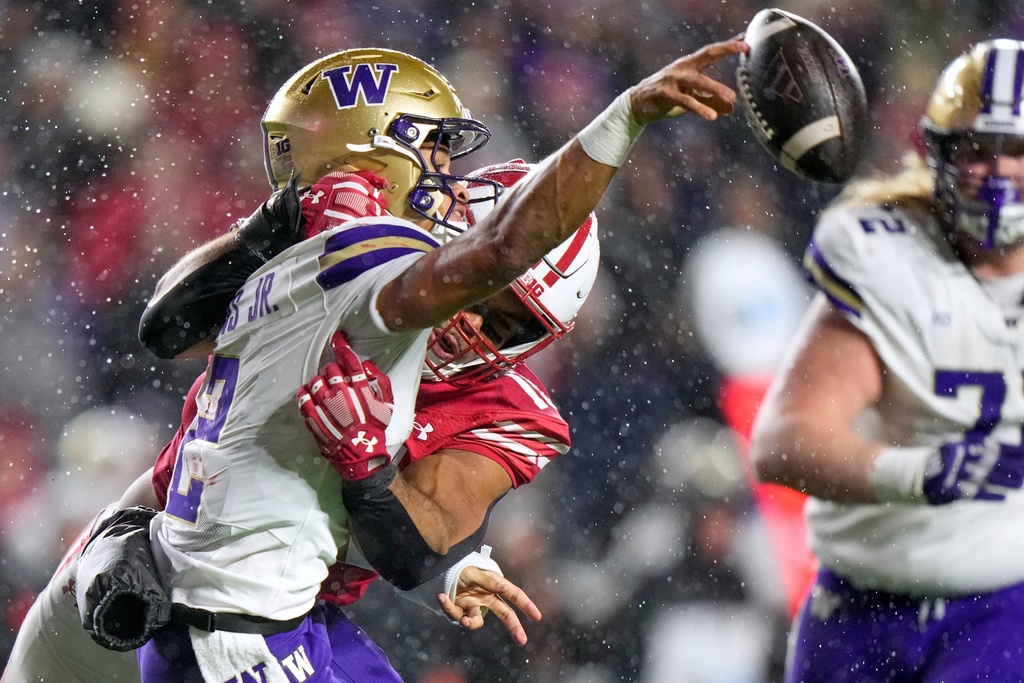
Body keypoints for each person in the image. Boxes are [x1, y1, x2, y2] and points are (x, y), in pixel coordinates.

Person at [124, 38, 744, 681]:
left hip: (300, 604)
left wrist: (375, 479)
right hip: (219, 592)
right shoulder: (366, 279)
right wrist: (276, 224)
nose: (472, 326)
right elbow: (171, 335)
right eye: (478, 296)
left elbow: (419, 545)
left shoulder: (511, 411)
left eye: (507, 321)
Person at [748, 38, 1024, 682]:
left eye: (1018, 150)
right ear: (938, 153)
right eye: (977, 149)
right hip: (862, 609)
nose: (999, 172)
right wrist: (921, 473)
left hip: (1002, 614)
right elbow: (783, 444)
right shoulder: (887, 254)